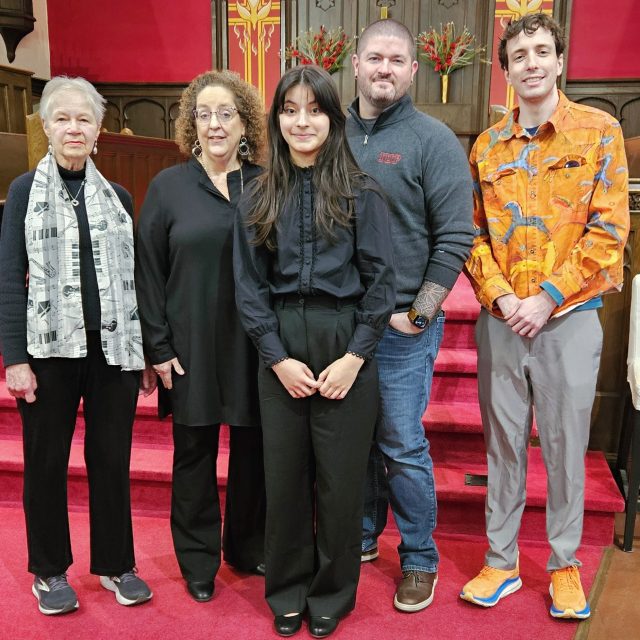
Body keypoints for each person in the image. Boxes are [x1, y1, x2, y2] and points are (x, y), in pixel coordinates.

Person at [460, 13, 629, 619]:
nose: (531, 62)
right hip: (503, 319)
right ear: (506, 71)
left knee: (563, 446)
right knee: (503, 445)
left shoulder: (598, 132)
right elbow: (471, 236)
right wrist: (504, 298)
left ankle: (563, 564)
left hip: (569, 318)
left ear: (559, 61)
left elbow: (609, 233)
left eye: (541, 51)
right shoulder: (486, 146)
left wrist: (548, 297)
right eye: (519, 55)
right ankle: (501, 561)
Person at [234, 65, 395, 638]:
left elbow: (381, 283)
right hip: (280, 341)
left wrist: (355, 357)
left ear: (333, 117)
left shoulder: (361, 189)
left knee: (340, 480)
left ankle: (332, 591)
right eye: (290, 110)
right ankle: (287, 587)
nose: (302, 121)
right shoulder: (256, 191)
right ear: (277, 119)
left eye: (314, 109)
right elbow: (248, 286)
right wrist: (275, 356)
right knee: (284, 477)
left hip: (344, 337)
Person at [0, 76, 154, 615]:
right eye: (62, 118)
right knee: (46, 462)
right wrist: (14, 358)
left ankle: (117, 564)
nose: (73, 128)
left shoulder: (119, 197)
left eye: (83, 119)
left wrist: (144, 350)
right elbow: (7, 274)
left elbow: (136, 278)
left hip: (112, 349)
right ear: (46, 126)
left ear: (98, 131)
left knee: (111, 459)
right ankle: (49, 571)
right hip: (47, 350)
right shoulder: (23, 191)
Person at [346, 19, 474, 611]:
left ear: (414, 71)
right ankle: (365, 534)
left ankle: (420, 556)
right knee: (360, 439)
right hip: (344, 323)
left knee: (399, 441)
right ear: (355, 62)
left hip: (401, 325)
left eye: (397, 60)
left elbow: (455, 237)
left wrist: (419, 315)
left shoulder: (433, 140)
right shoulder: (328, 131)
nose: (385, 69)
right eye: (376, 57)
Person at [135, 70, 267, 603]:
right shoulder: (169, 186)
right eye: (204, 114)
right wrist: (158, 347)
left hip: (255, 345)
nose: (214, 124)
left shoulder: (264, 182)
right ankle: (196, 560)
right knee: (193, 455)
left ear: (244, 124)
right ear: (192, 122)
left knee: (254, 452)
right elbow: (148, 270)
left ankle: (246, 544)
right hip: (189, 347)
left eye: (226, 114)